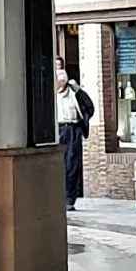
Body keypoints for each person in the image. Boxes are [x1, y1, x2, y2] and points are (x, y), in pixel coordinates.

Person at [56, 61, 94, 208]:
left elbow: (89, 107)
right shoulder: (52, 95)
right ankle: (59, 197)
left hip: (73, 129)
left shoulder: (76, 93)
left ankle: (69, 199)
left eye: (58, 82)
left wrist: (82, 122)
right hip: (58, 129)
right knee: (59, 163)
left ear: (64, 82)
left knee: (72, 164)